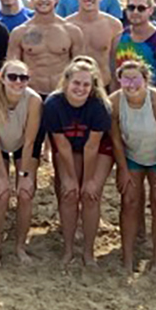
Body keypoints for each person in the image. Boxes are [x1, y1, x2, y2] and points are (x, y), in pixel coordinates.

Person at [41, 56, 114, 267]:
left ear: (92, 87)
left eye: (85, 84)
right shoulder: (53, 104)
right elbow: (61, 145)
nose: (80, 88)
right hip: (69, 147)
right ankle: (69, 249)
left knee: (90, 195)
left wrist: (88, 180)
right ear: (66, 82)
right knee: (69, 193)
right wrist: (72, 179)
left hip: (98, 149)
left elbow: (92, 147)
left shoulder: (99, 105)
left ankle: (89, 251)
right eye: (76, 83)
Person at [109, 58, 156, 272]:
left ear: (146, 80)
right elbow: (115, 139)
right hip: (132, 155)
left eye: (135, 79)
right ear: (119, 80)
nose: (131, 84)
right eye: (125, 79)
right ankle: (128, 258)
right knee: (129, 201)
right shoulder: (114, 102)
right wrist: (122, 169)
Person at [0, 58, 41, 266]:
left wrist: (24, 176)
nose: (18, 82)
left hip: (24, 144)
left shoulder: (33, 101)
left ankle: (20, 246)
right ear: (3, 79)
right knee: (1, 193)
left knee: (25, 194)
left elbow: (30, 140)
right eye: (12, 77)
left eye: (23, 78)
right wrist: (2, 177)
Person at [7, 0, 83, 95]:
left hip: (63, 94)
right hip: (31, 94)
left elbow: (80, 69)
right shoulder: (19, 33)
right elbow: (11, 70)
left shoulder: (72, 31)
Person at [66, 0, 122, 88]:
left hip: (103, 85)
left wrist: (114, 88)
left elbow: (116, 62)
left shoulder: (113, 25)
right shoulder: (66, 25)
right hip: (74, 86)